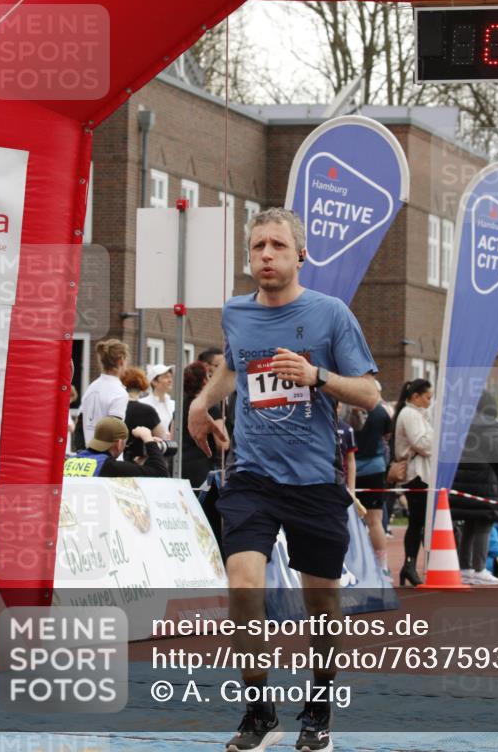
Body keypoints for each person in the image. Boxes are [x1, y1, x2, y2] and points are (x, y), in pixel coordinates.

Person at [188, 208, 378, 752]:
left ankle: (318, 704)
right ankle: (258, 708)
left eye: (276, 245)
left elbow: (369, 394)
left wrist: (316, 376)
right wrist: (204, 403)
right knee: (244, 584)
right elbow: (233, 365)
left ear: (300, 254)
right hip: (252, 476)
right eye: (256, 247)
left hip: (316, 482)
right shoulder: (236, 313)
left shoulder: (331, 314)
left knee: (322, 602)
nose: (265, 255)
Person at [450, 390, 498, 586]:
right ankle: (479, 568)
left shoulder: (462, 423)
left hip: (462, 480)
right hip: (483, 480)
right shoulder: (489, 424)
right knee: (484, 524)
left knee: (468, 525)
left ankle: (465, 568)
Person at [392, 378, 433, 587]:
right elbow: (422, 444)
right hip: (417, 475)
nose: (429, 402)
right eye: (427, 398)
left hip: (419, 474)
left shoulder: (415, 414)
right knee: (420, 521)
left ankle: (412, 565)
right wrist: (435, 438)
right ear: (415, 397)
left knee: (418, 522)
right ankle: (416, 564)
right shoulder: (410, 415)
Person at [347, 399, 392, 577]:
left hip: (350, 468)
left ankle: (354, 568)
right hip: (374, 468)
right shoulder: (381, 411)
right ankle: (382, 567)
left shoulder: (343, 409)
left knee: (348, 521)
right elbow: (387, 435)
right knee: (375, 522)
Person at [64, 416, 169, 477]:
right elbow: (161, 473)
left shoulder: (71, 460)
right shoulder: (110, 467)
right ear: (119, 444)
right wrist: (148, 439)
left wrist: (137, 463)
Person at [181, 361, 229, 488]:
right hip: (202, 469)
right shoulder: (210, 408)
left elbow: (172, 437)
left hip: (179, 467)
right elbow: (223, 443)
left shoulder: (180, 406)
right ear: (204, 381)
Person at [77, 339, 129, 447]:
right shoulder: (119, 392)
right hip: (107, 458)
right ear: (121, 360)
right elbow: (114, 432)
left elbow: (79, 426)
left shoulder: (91, 387)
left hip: (88, 453)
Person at [121, 367, 167, 461]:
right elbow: (162, 439)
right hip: (140, 462)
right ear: (142, 385)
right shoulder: (147, 411)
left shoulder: (116, 407)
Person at [143, 363, 175, 435]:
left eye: (170, 377)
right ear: (154, 382)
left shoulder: (174, 405)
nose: (170, 380)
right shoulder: (143, 404)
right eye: (166, 377)